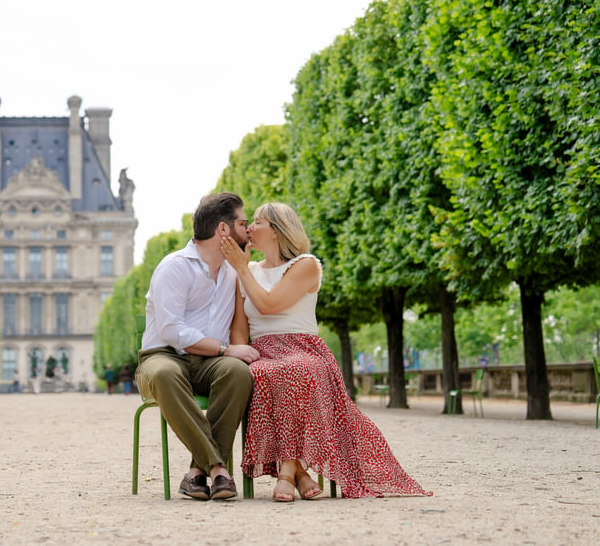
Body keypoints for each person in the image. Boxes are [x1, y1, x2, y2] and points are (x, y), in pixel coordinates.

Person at [221, 202, 432, 502]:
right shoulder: (249, 271)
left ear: (278, 230)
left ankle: (286, 473)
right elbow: (240, 326)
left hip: (303, 347)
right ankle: (300, 473)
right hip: (263, 351)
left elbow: (269, 304)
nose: (250, 228)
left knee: (295, 369)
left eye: (257, 222)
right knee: (262, 372)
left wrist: (241, 268)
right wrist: (242, 349)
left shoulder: (306, 264)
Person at [135, 192, 260, 501]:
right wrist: (226, 349)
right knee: (165, 373)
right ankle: (217, 468)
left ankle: (195, 475)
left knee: (237, 373)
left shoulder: (235, 271)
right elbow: (171, 330)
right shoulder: (174, 267)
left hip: (207, 362)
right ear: (222, 230)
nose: (248, 230)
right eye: (243, 223)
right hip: (162, 356)